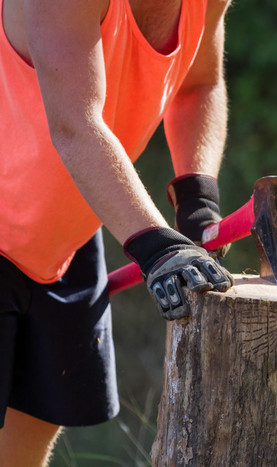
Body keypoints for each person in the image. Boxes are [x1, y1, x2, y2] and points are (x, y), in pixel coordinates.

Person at [0, 0, 236, 464]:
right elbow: (75, 124)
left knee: (22, 452)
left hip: (62, 243)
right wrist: (157, 245)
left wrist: (198, 198)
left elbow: (198, 85)